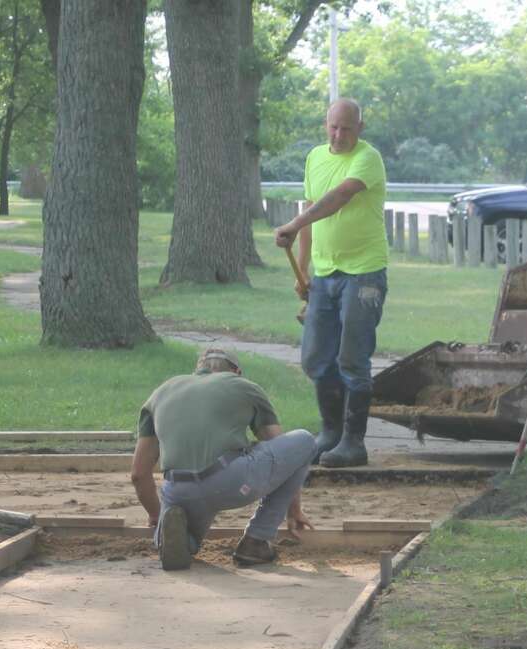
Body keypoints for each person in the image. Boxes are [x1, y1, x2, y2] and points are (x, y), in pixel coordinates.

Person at [275, 97, 389, 469]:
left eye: (347, 128)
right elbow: (308, 215)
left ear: (361, 128)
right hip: (325, 274)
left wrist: (293, 225)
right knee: (314, 357)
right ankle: (330, 434)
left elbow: (338, 198)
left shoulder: (367, 158)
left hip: (364, 273)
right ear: (326, 124)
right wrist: (304, 269)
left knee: (352, 358)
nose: (339, 135)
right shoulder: (314, 157)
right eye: (333, 127)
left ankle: (354, 442)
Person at [130, 347, 315, 571]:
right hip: (230, 482)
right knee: (303, 441)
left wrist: (156, 514)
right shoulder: (244, 387)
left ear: (197, 370)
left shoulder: (160, 393)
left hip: (179, 490)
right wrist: (293, 510)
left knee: (182, 533)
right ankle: (257, 540)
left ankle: (174, 536)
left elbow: (139, 474)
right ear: (236, 371)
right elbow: (284, 453)